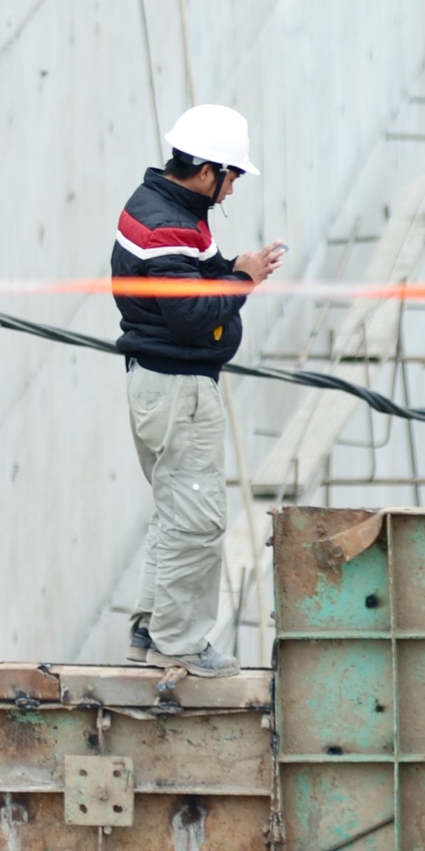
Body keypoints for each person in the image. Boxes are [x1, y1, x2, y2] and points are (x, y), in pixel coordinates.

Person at [112, 104, 284, 674]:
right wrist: (243, 283)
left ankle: (150, 629)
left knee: (174, 511)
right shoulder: (168, 226)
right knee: (199, 519)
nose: (233, 190)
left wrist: (236, 268)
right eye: (232, 176)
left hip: (165, 386)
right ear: (207, 170)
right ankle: (179, 643)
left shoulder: (173, 210)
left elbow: (204, 272)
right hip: (177, 390)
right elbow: (193, 314)